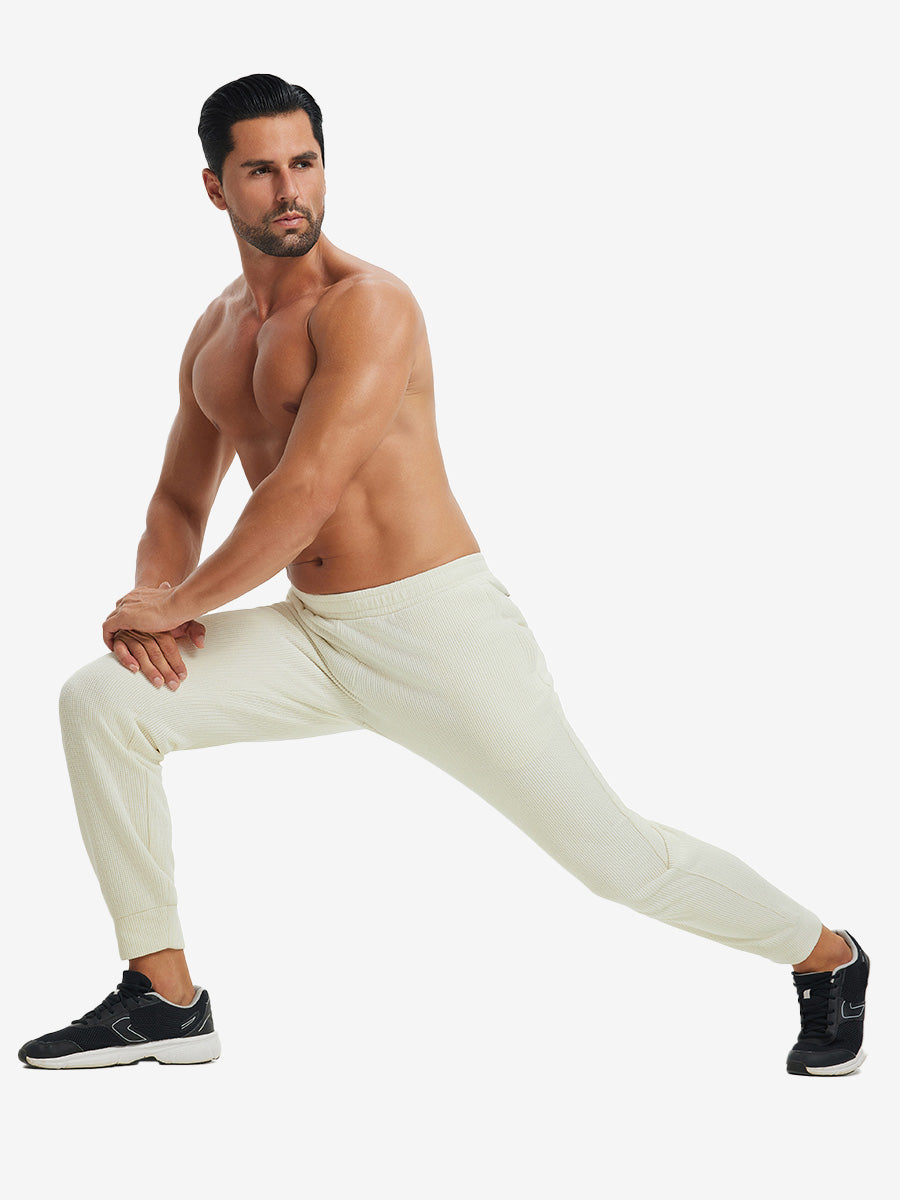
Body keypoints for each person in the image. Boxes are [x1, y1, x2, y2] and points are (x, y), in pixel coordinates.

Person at [19, 74, 868, 1076]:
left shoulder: (370, 306)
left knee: (617, 862)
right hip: (313, 633)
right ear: (215, 187)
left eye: (305, 163)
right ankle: (165, 997)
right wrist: (156, 609)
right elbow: (176, 500)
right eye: (261, 171)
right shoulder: (214, 332)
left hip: (436, 631)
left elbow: (303, 494)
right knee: (102, 703)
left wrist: (178, 601)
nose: (289, 191)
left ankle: (828, 956)